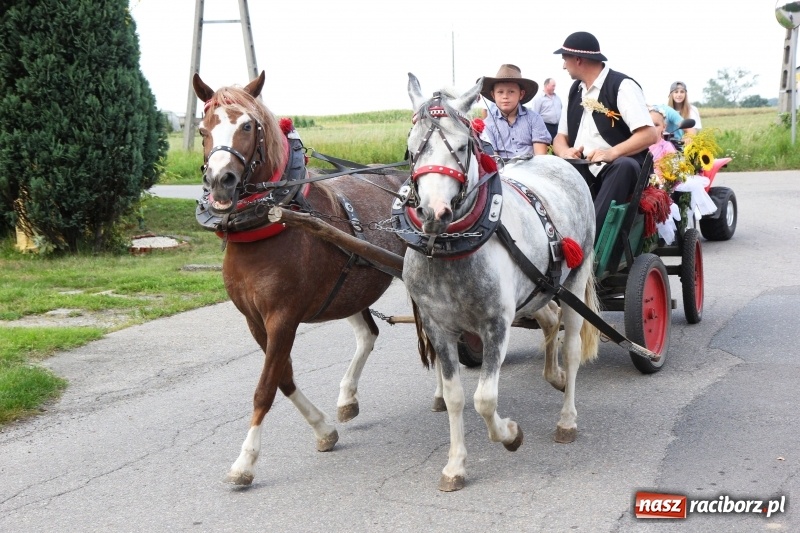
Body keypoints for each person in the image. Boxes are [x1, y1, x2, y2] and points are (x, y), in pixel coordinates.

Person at [551, 31, 658, 235]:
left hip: (618, 165)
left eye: (565, 59)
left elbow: (649, 135)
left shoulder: (622, 85)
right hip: (583, 165)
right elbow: (559, 138)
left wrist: (612, 153)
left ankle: (591, 243)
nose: (564, 65)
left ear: (578, 59)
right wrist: (564, 152)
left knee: (623, 167)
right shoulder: (575, 90)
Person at [479, 64, 551, 159]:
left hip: (531, 169)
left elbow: (540, 157)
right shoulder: (488, 123)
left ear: (521, 94)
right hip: (502, 171)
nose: (505, 96)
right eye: (500, 92)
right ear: (493, 95)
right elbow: (494, 159)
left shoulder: (534, 119)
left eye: (511, 92)